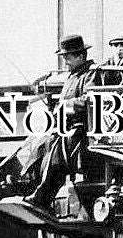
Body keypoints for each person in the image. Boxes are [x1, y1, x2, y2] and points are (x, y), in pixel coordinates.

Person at [22, 34, 107, 211]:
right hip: (65, 127)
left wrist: (65, 105)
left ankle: (42, 196)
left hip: (82, 129)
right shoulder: (72, 76)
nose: (65, 62)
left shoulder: (90, 74)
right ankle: (27, 179)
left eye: (67, 57)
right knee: (41, 144)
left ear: (80, 56)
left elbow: (89, 100)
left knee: (56, 153)